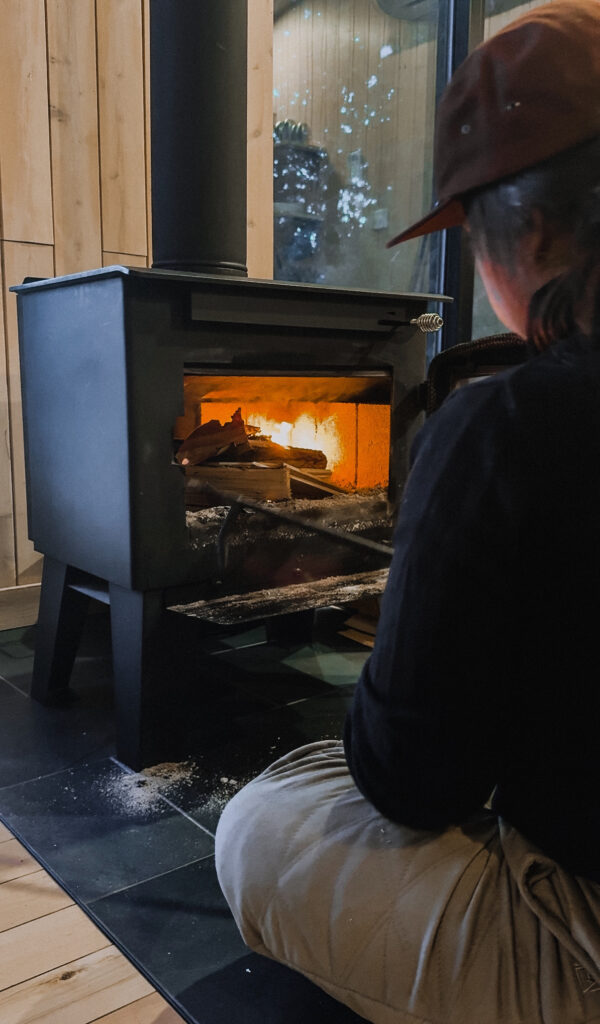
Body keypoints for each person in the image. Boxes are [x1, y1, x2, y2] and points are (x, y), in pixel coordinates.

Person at [215, 3, 600, 1021]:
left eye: (472, 236)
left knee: (262, 818)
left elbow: (411, 783)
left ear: (535, 232)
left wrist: (407, 619)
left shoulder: (507, 425)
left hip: (582, 940)